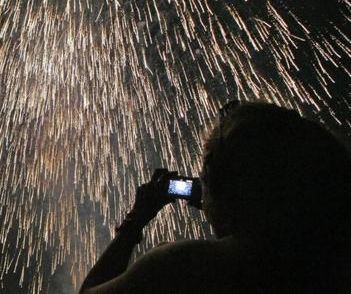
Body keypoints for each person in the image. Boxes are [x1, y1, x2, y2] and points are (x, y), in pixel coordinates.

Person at [79, 101, 351, 293]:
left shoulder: (186, 267)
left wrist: (135, 221)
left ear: (222, 182)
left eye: (205, 179)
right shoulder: (328, 258)